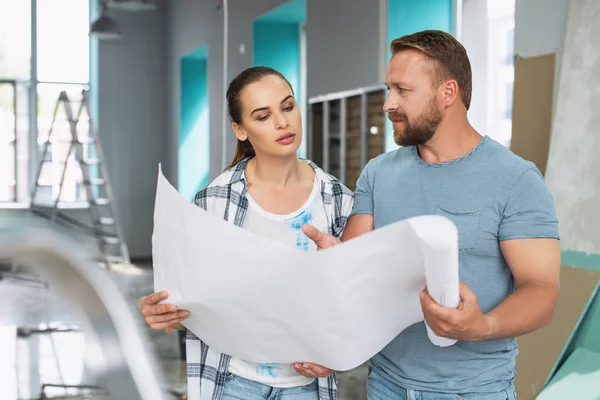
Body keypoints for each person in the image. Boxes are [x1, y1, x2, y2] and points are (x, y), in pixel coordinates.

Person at [302, 30, 561, 400]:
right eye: (389, 89)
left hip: (474, 391)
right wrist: (338, 263)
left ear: (448, 94)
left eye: (403, 90)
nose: (388, 103)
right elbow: (358, 274)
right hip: (385, 385)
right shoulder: (378, 173)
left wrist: (482, 325)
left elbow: (541, 290)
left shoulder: (515, 179)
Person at [141, 66, 354, 400]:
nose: (283, 123)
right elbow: (195, 311)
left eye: (287, 107)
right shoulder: (212, 202)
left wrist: (334, 355)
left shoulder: (338, 200)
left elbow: (354, 303)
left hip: (307, 388)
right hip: (233, 384)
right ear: (240, 130)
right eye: (263, 116)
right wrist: (166, 313)